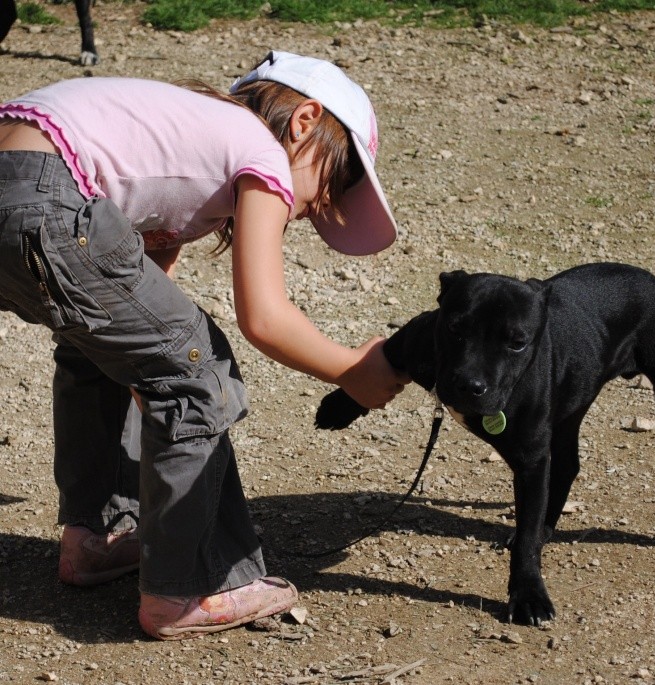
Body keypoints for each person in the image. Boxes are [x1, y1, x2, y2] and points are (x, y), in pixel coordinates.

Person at [0, 50, 408, 640]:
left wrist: (152, 375)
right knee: (198, 362)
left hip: (24, 179)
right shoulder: (261, 150)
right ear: (304, 122)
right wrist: (351, 369)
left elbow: (136, 308)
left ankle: (95, 537)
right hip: (48, 196)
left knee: (111, 349)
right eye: (335, 179)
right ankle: (190, 586)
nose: (319, 207)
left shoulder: (184, 138)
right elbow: (264, 317)